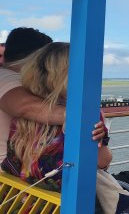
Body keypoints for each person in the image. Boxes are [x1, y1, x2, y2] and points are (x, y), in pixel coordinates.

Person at [1, 43, 113, 214]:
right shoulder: (86, 115)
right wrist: (103, 139)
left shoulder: (23, 119)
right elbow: (102, 162)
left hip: (22, 213)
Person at [0, 27, 107, 169]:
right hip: (34, 186)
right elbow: (25, 106)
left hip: (18, 181)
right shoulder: (6, 77)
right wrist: (86, 118)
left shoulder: (23, 119)